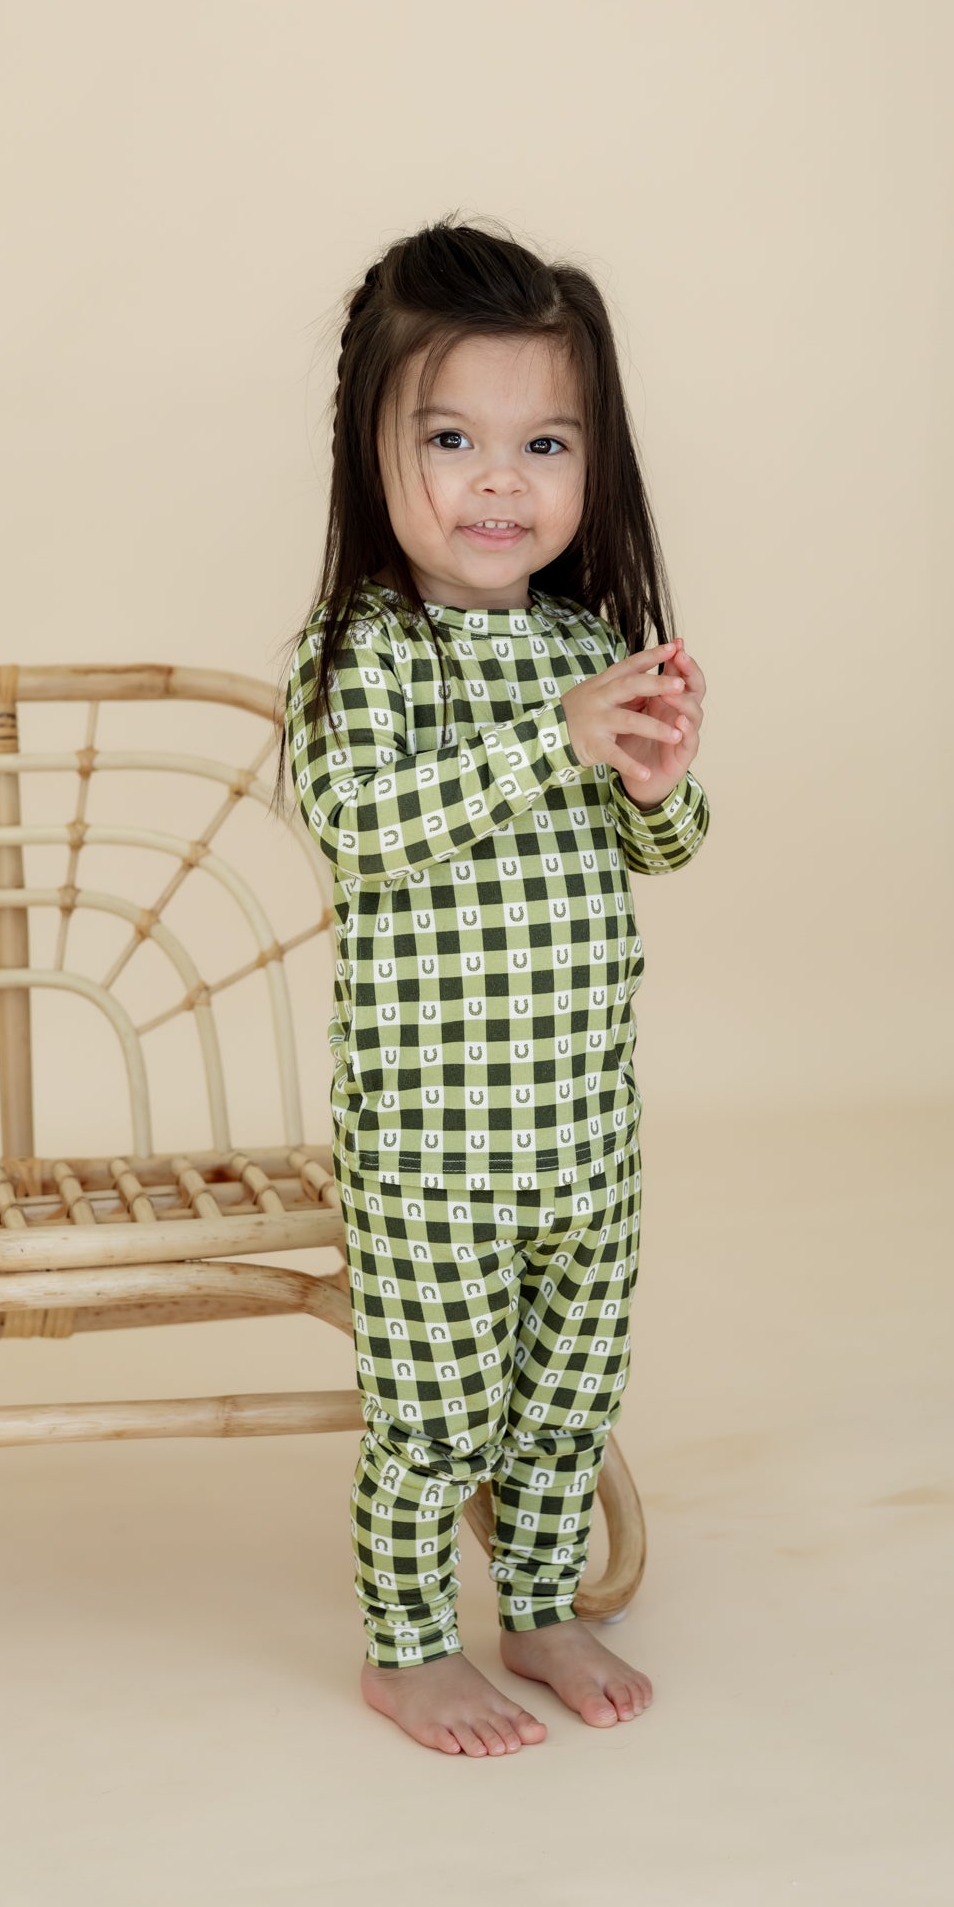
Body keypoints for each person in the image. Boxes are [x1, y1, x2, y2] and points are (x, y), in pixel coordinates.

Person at [273, 215, 709, 1757]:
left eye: (544, 443)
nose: (499, 483)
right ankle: (407, 1647)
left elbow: (664, 848)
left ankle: (539, 1605)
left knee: (567, 1397)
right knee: (436, 1411)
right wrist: (554, 740)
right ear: (372, 449)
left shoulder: (584, 639)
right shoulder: (364, 650)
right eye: (451, 438)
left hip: (583, 1128)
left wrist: (653, 777)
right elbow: (360, 825)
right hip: (434, 1145)